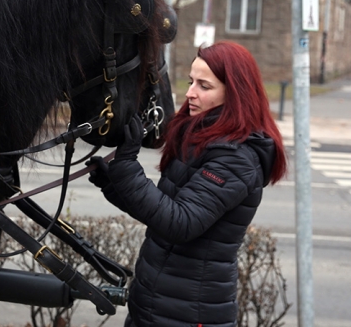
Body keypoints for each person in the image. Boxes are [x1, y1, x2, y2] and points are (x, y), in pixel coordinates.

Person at [87, 41, 286, 327]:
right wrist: (114, 185)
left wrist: (128, 165)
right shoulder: (203, 139)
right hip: (157, 305)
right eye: (191, 82)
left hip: (189, 314)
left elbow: (180, 223)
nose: (190, 93)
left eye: (204, 86)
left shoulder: (237, 157)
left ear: (235, 93)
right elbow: (163, 213)